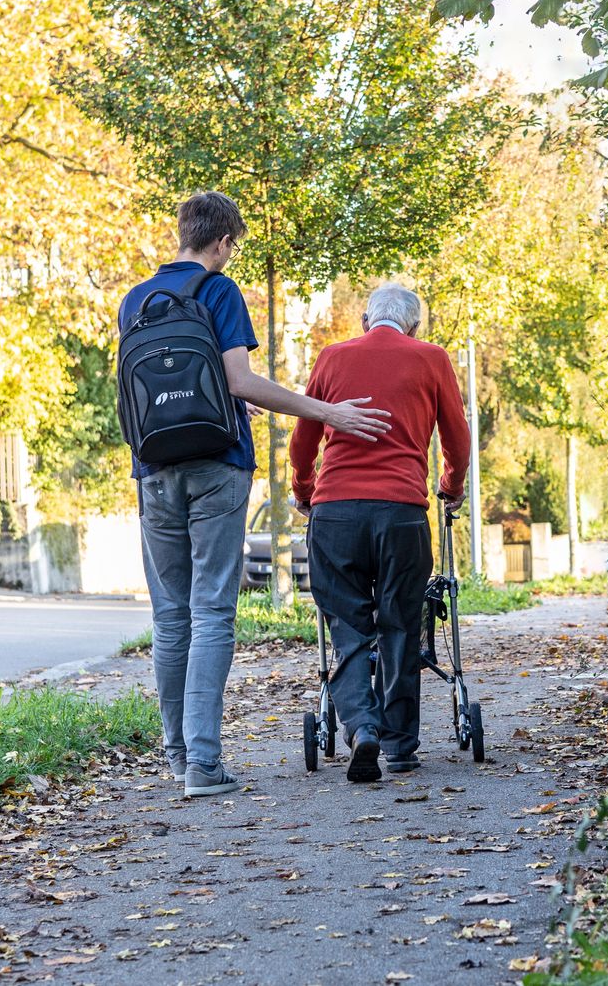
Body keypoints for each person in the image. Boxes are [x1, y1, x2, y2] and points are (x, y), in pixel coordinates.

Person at [118, 191, 392, 797]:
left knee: (170, 617)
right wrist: (327, 413)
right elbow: (240, 383)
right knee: (213, 609)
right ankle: (204, 767)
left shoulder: (135, 299)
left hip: (153, 469)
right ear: (222, 243)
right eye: (233, 246)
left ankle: (176, 756)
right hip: (218, 465)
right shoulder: (218, 291)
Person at [288, 284, 471, 782]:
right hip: (402, 514)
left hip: (337, 513)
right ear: (413, 327)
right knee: (400, 623)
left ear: (366, 320)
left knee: (347, 626)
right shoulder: (432, 358)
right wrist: (450, 488)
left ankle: (362, 728)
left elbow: (303, 439)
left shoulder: (332, 357)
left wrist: (304, 490)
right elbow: (456, 436)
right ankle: (401, 745)